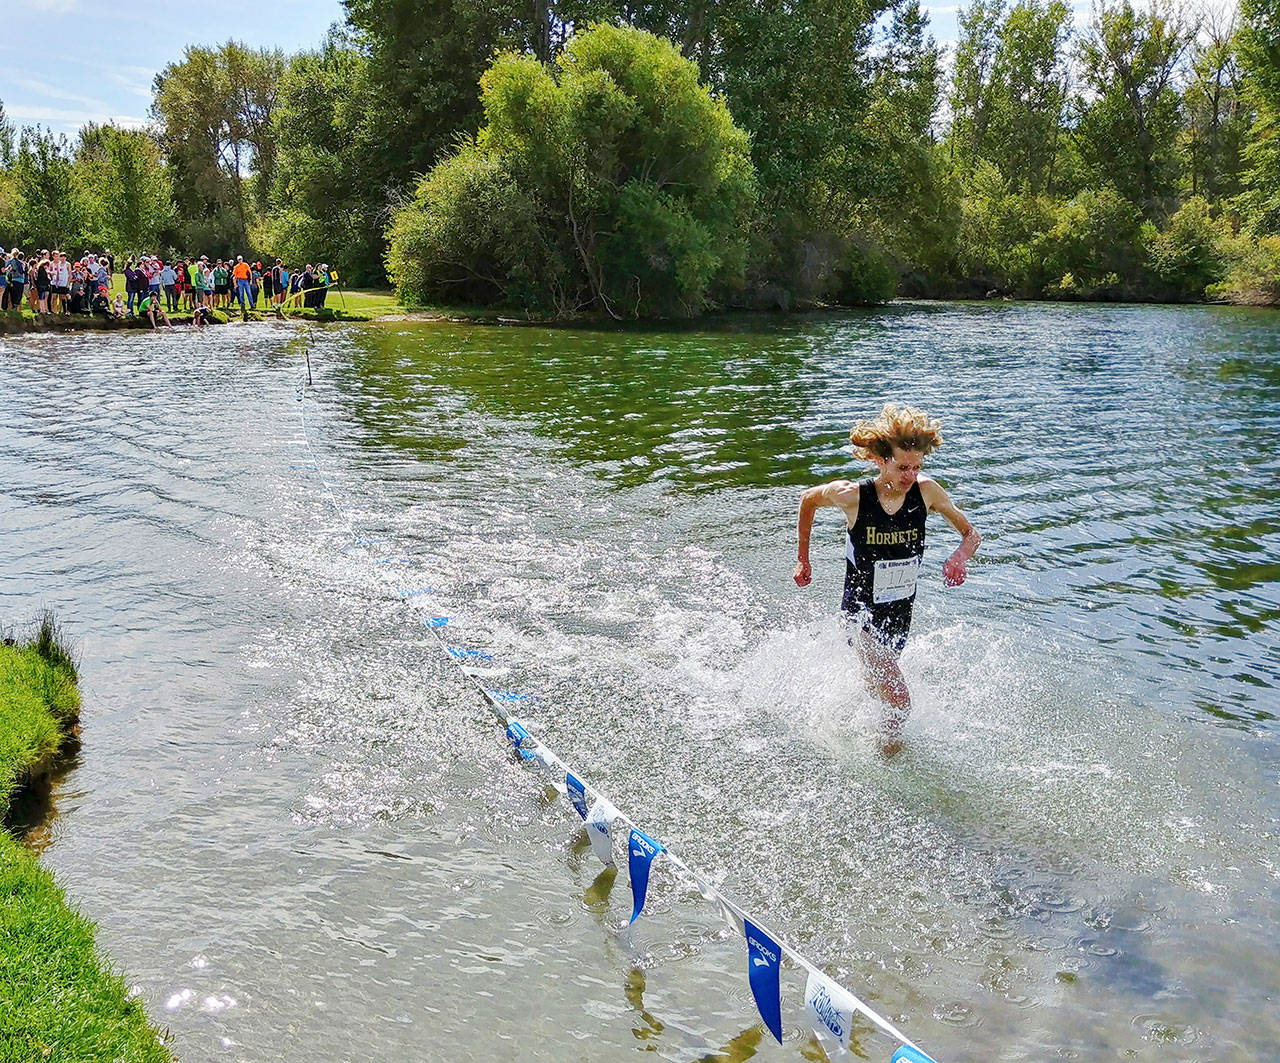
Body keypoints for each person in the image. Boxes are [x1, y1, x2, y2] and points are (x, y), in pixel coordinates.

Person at [793, 403, 981, 756]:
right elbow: (807, 500)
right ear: (881, 460)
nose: (910, 475)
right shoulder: (852, 496)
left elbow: (971, 534)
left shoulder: (927, 492)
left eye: (917, 467)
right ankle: (887, 763)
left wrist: (959, 558)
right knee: (899, 701)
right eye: (902, 467)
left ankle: (850, 740)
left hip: (899, 613)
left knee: (876, 689)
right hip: (859, 616)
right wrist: (803, 560)